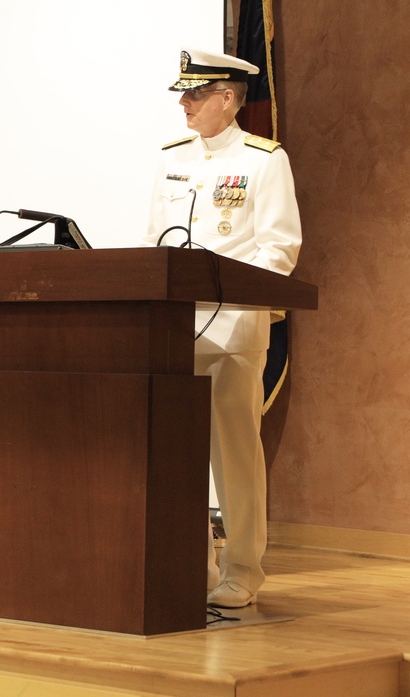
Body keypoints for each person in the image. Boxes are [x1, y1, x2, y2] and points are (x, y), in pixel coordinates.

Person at [144, 48, 302, 608]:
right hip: (171, 330)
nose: (183, 103)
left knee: (234, 454)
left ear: (228, 98)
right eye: (183, 94)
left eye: (195, 93)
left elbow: (279, 249)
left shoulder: (264, 160)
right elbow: (154, 246)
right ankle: (195, 564)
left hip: (233, 328)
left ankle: (242, 571)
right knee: (175, 452)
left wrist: (228, 295)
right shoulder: (171, 158)